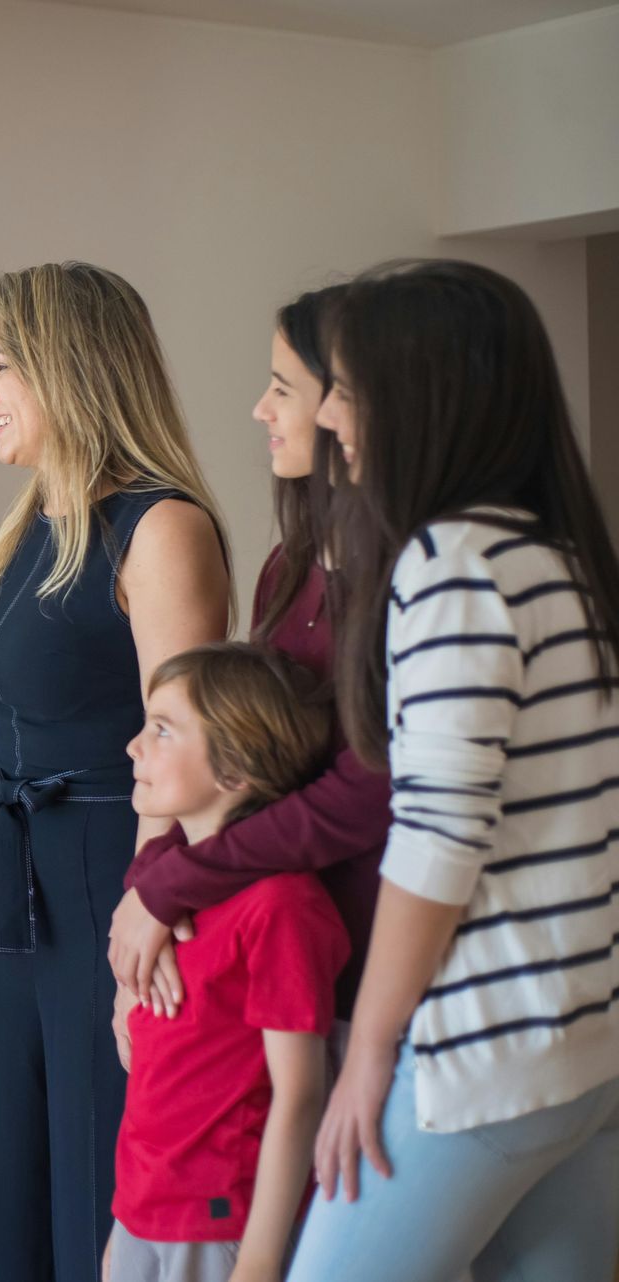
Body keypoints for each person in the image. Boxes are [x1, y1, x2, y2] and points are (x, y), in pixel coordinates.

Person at [286, 259, 619, 1281]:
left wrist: (371, 1055)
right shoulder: (559, 554)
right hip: (582, 1050)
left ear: (415, 392)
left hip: (476, 1060)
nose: (333, 416)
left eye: (345, 386)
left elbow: (437, 839)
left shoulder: (452, 561)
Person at [0, 260, 232, 1281]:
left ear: (66, 371)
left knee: (96, 1154)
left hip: (115, 873)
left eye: (0, 367)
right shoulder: (37, 523)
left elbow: (188, 740)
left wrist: (150, 901)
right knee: (5, 1154)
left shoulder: (162, 526)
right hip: (17, 877)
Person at [110, 286, 390, 1037]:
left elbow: (363, 796)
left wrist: (172, 882)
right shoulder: (286, 568)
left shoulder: (411, 583)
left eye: (281, 390)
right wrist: (149, 883)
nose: (260, 411)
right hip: (265, 942)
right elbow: (239, 758)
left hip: (373, 969)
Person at [107, 643, 347, 1282]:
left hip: (220, 1226)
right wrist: (125, 1227)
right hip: (142, 1214)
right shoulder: (160, 887)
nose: (134, 746)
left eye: (162, 730)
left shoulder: (280, 907)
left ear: (237, 768)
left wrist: (263, 1257)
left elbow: (300, 1093)